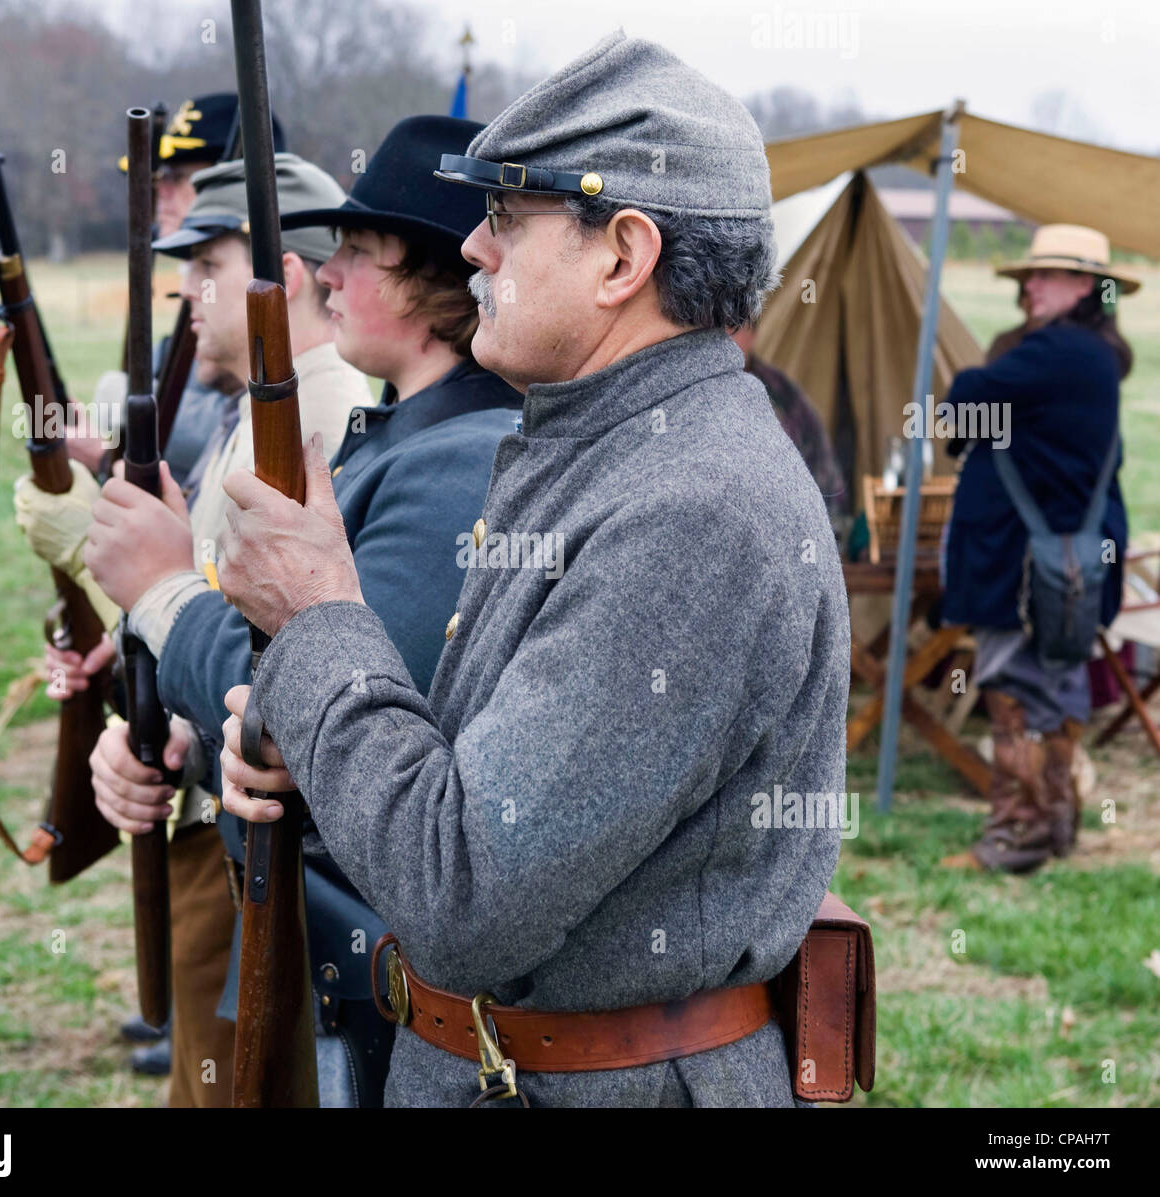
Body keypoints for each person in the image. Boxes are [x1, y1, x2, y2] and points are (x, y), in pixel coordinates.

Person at [216, 32, 847, 1108]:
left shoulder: (689, 507)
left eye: (508, 215)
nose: (472, 249)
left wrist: (319, 616)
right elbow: (483, 786)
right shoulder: (605, 442)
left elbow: (464, 897)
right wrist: (304, 753)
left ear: (622, 256)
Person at [77, 116, 521, 1106]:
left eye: (359, 253)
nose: (327, 274)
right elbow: (287, 711)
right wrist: (179, 744)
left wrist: (159, 591)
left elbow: (327, 702)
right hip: (317, 940)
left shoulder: (459, 458)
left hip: (369, 958)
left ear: (433, 283)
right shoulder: (407, 437)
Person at [15, 152, 367, 1106]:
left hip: (251, 823)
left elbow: (275, 638)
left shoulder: (325, 409)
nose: (186, 295)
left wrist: (114, 564)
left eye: (206, 268)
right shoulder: (261, 409)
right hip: (210, 794)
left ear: (279, 279)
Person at [940, 224, 1138, 873]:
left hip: (1021, 567)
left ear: (1084, 286)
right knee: (1052, 692)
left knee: (1014, 690)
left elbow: (961, 403)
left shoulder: (1057, 351)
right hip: (1060, 564)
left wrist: (977, 374)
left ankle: (1014, 839)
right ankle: (1053, 828)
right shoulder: (1091, 355)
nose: (1029, 287)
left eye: (1044, 275)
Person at [731, 322, 845, 520]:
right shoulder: (695, 395)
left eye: (735, 326)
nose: (726, 336)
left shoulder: (782, 394)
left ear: (753, 333)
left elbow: (821, 468)